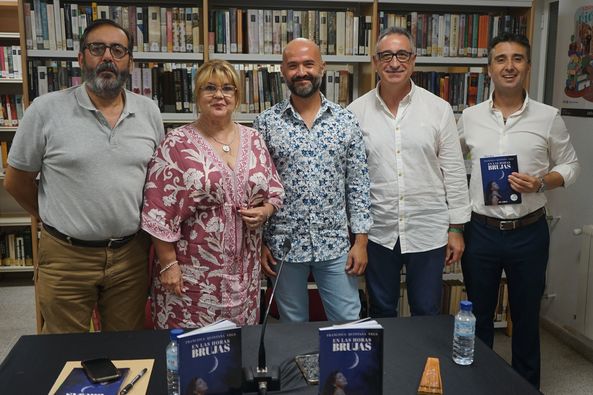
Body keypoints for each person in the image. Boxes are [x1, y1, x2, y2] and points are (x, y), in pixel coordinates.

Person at [3, 19, 164, 333]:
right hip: (66, 257)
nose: (107, 57)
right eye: (97, 48)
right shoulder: (45, 110)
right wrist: (51, 217)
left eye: (118, 50)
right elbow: (16, 180)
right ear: (80, 58)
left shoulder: (149, 112)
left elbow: (156, 181)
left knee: (126, 345)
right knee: (63, 351)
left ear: (129, 61)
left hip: (129, 256)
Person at [458, 33, 580, 389]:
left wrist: (542, 182)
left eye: (517, 59)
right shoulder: (469, 117)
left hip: (529, 231)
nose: (509, 66)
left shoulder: (548, 117)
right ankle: (477, 385)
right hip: (480, 231)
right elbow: (447, 162)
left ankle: (525, 387)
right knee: (478, 317)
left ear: (527, 65)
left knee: (526, 318)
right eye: (501, 59)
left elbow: (571, 166)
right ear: (489, 68)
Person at [142, 59, 284, 329]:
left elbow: (274, 189)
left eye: (227, 89)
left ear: (237, 96)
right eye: (210, 88)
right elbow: (157, 210)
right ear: (197, 95)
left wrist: (265, 212)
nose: (219, 95)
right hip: (193, 274)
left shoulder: (254, 138)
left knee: (239, 346)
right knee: (193, 348)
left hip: (244, 272)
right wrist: (167, 264)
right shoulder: (176, 144)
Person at [347, 27, 471, 318]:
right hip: (379, 231)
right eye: (386, 55)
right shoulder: (355, 112)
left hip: (427, 229)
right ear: (375, 62)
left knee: (426, 308)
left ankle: (425, 365)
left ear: (413, 60)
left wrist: (456, 228)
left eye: (402, 54)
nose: (394, 63)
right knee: (381, 308)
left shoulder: (438, 109)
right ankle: (387, 365)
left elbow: (453, 170)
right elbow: (351, 178)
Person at [254, 38, 372, 323]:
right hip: (283, 244)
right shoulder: (265, 123)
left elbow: (357, 184)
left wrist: (361, 242)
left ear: (322, 67)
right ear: (282, 71)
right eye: (293, 65)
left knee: (348, 321)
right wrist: (259, 244)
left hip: (334, 243)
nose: (301, 72)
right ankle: (298, 370)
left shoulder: (346, 121)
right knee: (292, 325)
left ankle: (345, 369)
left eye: (308, 64)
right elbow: (256, 190)